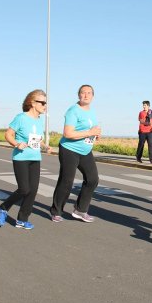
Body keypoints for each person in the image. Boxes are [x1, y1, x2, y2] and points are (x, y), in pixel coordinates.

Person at [0, 90, 51, 230]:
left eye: (46, 103)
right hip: (21, 158)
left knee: (33, 190)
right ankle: (3, 208)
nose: (45, 105)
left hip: (35, 158)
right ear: (32, 103)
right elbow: (8, 134)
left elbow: (37, 140)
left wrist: (45, 147)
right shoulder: (21, 117)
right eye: (42, 102)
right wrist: (16, 144)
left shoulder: (39, 120)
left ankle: (22, 219)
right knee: (24, 189)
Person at [50, 85, 101, 223]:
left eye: (89, 93)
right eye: (83, 93)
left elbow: (92, 128)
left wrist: (96, 134)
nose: (86, 95)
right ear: (78, 95)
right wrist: (90, 132)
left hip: (85, 151)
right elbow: (68, 133)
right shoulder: (73, 111)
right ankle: (56, 211)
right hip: (69, 149)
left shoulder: (91, 111)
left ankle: (80, 210)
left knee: (92, 179)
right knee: (67, 181)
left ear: (93, 96)